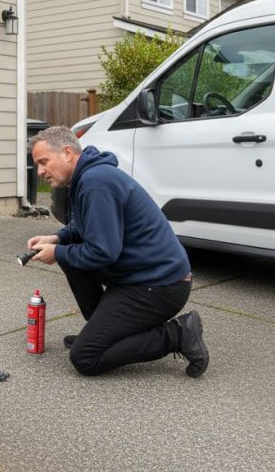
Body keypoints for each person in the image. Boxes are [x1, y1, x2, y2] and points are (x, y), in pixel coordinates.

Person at [27, 126, 209, 377]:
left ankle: (177, 334)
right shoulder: (87, 178)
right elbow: (84, 227)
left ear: (67, 152)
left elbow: (102, 252)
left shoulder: (95, 182)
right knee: (68, 254)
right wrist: (57, 238)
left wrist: (57, 253)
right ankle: (104, 332)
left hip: (161, 286)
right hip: (136, 277)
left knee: (85, 357)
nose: (40, 172)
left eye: (44, 162)